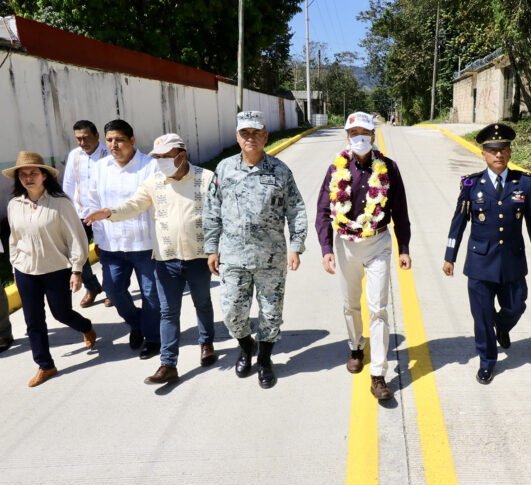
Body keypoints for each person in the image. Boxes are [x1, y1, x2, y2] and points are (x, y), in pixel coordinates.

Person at [86, 134, 217, 385]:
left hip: (199, 257)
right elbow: (134, 205)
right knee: (168, 312)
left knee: (202, 303)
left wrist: (215, 250)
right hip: (166, 259)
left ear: (181, 155)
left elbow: (218, 215)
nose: (160, 162)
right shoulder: (154, 182)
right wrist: (110, 212)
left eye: (165, 157)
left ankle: (206, 343)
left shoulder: (207, 178)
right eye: (156, 157)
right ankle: (168, 364)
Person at [204, 111, 307, 388]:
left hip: (271, 258)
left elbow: (296, 210)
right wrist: (212, 247)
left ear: (265, 136)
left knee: (271, 313)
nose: (250, 138)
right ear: (237, 137)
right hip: (234, 257)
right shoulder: (224, 169)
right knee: (232, 314)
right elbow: (212, 210)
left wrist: (296, 245)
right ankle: (245, 345)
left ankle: (264, 359)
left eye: (256, 133)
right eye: (244, 133)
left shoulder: (280, 171)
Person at [316, 112, 411, 401]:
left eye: (364, 132)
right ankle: (356, 347)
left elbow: (400, 212)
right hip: (346, 245)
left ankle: (379, 374)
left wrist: (404, 248)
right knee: (350, 305)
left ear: (373, 135)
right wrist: (326, 248)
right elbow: (322, 210)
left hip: (378, 243)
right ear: (347, 136)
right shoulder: (336, 169)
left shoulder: (389, 168)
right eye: (353, 132)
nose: (359, 137)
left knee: (379, 308)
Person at [442, 123, 531, 385]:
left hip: (512, 260)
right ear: (483, 154)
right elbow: (459, 222)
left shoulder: (524, 183)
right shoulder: (471, 184)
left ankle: (503, 325)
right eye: (492, 150)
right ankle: (487, 361)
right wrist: (450, 255)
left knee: (516, 304)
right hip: (480, 262)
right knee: (482, 317)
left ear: (510, 153)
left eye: (503, 149)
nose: (498, 155)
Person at [3, 151, 96, 387]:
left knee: (61, 314)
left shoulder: (60, 203)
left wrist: (76, 270)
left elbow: (77, 238)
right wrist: (15, 264)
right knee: (33, 320)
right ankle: (45, 365)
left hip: (56, 269)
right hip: (26, 271)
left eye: (33, 173)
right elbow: (14, 238)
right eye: (23, 175)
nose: (28, 178)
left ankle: (85, 327)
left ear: (44, 175)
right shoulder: (14, 204)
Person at [86, 119, 161, 359]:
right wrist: (98, 238)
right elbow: (93, 204)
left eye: (119, 139)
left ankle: (152, 337)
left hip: (146, 243)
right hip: (112, 244)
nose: (113, 145)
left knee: (151, 294)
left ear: (132, 140)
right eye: (109, 140)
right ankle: (136, 323)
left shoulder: (150, 166)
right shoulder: (100, 167)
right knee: (113, 289)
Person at [62, 120, 108, 307]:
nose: (82, 142)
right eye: (78, 139)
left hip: (105, 215)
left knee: (108, 254)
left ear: (97, 136)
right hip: (80, 214)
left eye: (86, 137)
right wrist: (66, 210)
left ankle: (113, 289)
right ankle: (93, 286)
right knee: (76, 253)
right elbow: (68, 184)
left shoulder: (108, 155)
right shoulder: (75, 155)